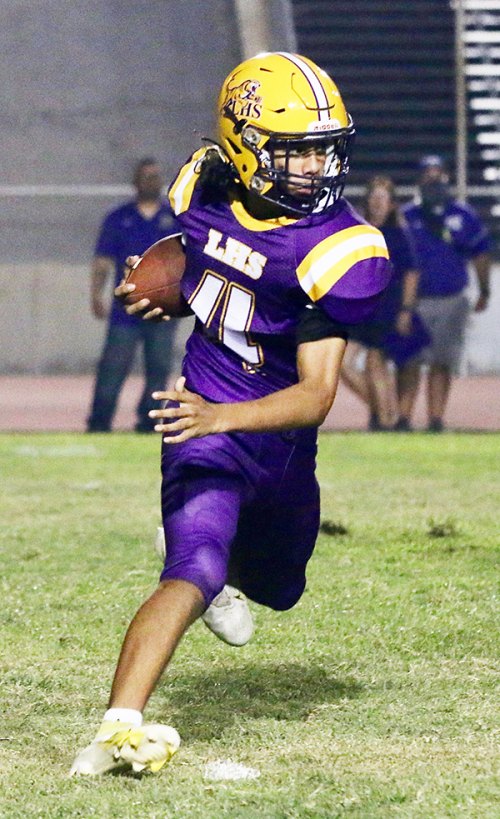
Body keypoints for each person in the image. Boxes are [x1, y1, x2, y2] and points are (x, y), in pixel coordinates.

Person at [70, 52, 392, 777]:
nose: (315, 166)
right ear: (245, 148)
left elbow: (316, 395)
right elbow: (197, 260)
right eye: (295, 150)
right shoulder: (205, 190)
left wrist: (224, 416)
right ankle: (116, 728)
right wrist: (160, 283)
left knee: (281, 589)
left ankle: (232, 580)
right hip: (200, 422)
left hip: (274, 443)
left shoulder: (338, 248)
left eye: (322, 148)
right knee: (194, 564)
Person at [396, 155, 491, 432]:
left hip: (451, 299)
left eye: (438, 172)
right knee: (410, 361)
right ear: (419, 179)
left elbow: (480, 253)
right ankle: (403, 417)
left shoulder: (463, 215)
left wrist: (484, 289)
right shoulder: (407, 216)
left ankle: (436, 418)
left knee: (442, 361)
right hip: (415, 301)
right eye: (428, 173)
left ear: (447, 176)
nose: (433, 178)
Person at [87, 158, 181, 433]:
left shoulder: (173, 219)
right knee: (112, 369)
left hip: (162, 311)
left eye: (155, 177)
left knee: (159, 369)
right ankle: (99, 423)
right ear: (135, 182)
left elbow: (187, 259)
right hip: (125, 311)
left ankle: (148, 423)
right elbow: (102, 261)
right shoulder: (118, 219)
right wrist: (96, 294)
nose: (150, 182)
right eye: (145, 177)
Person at [341, 175, 425, 430]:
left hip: (386, 306)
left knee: (377, 362)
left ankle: (385, 418)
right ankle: (382, 411)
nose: (378, 203)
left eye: (383, 198)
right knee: (345, 365)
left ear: (391, 204)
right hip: (360, 308)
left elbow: (411, 272)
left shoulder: (398, 234)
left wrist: (406, 309)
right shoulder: (356, 230)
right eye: (374, 197)